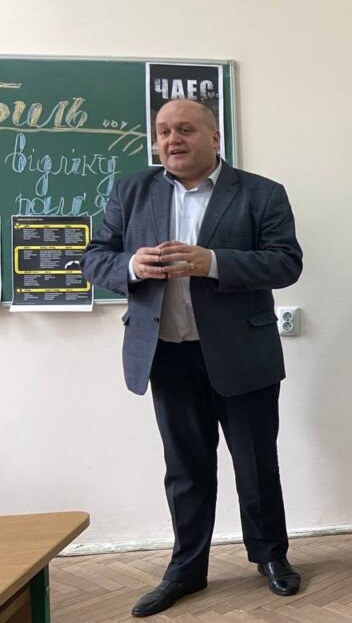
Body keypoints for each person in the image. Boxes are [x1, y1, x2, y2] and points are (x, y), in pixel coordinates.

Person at [82, 99, 303, 618]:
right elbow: (95, 258)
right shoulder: (132, 191)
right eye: (163, 131)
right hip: (167, 354)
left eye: (184, 129)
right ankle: (187, 568)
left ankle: (270, 556)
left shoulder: (261, 193)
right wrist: (131, 266)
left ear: (215, 137)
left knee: (256, 464)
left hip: (242, 354)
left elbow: (286, 262)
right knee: (185, 469)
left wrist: (214, 262)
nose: (171, 139)